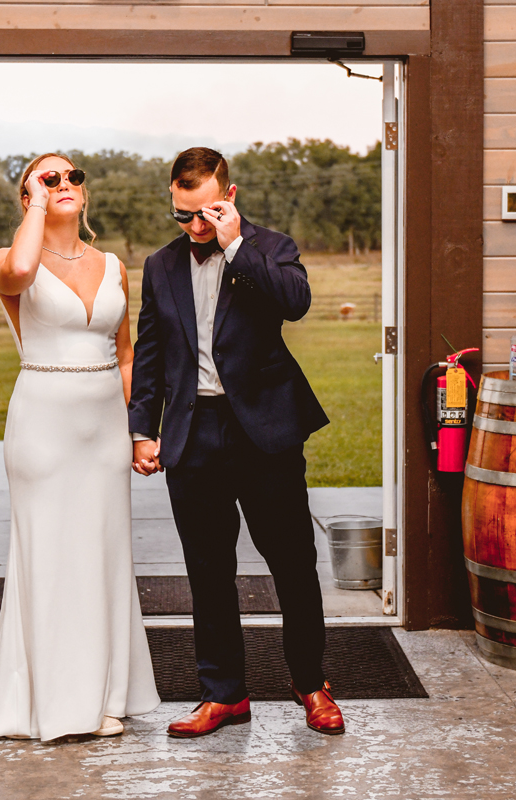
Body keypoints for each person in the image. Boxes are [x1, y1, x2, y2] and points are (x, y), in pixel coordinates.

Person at [128, 147, 345, 737]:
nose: (195, 226)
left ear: (229, 197)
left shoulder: (270, 247)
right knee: (207, 569)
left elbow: (295, 303)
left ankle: (311, 683)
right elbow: (150, 353)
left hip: (264, 431)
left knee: (292, 562)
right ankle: (223, 694)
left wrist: (235, 246)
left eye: (207, 212)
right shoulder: (160, 265)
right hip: (192, 432)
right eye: (183, 215)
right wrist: (142, 429)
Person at [0, 153, 160, 741]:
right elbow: (21, 269)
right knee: (50, 559)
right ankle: (48, 704)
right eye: (48, 178)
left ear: (85, 191)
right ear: (27, 195)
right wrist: (36, 205)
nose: (64, 184)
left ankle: (106, 695)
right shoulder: (9, 259)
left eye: (72, 176)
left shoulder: (113, 266)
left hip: (104, 433)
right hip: (43, 428)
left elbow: (126, 355)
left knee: (103, 559)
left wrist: (140, 430)